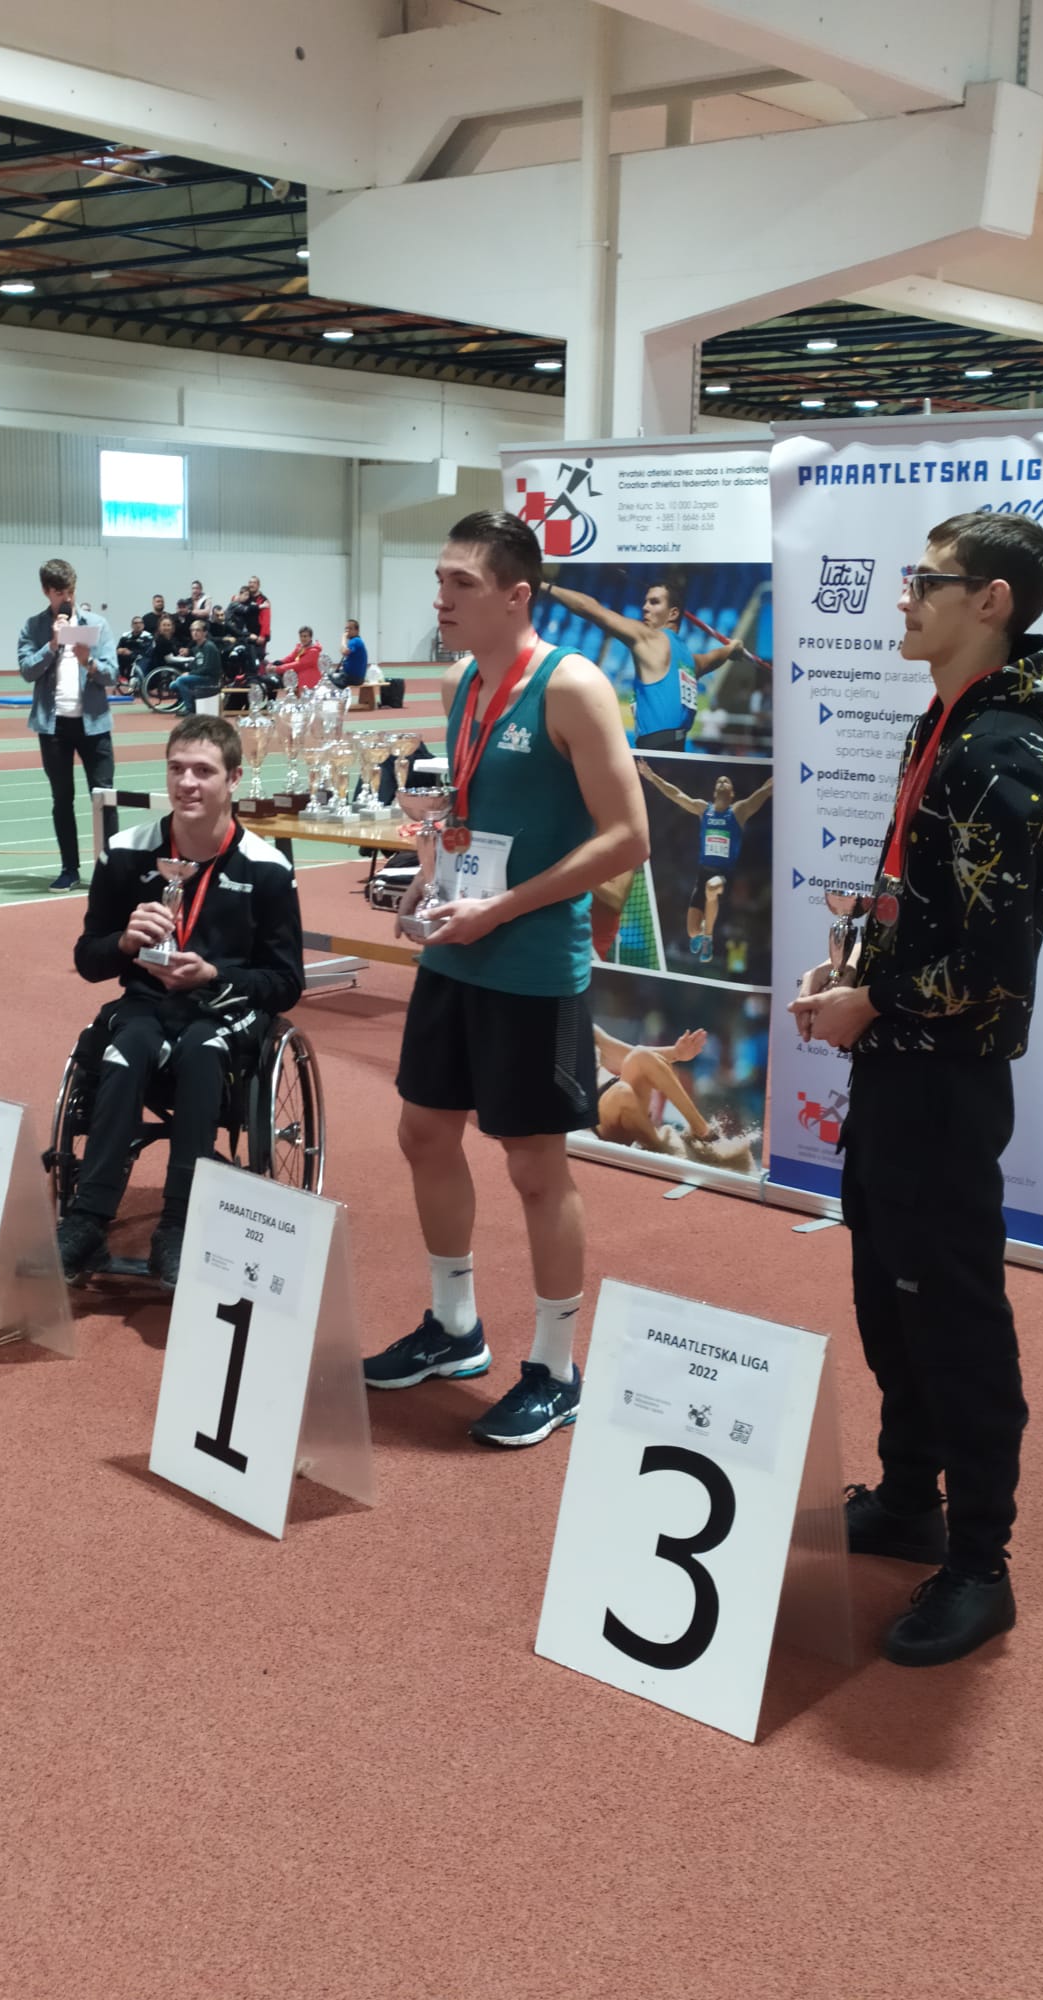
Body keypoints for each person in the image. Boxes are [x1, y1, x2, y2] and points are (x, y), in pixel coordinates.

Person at [791, 511, 1043, 1669]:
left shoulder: (1004, 755)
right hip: (896, 1073)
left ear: (991, 601)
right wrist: (855, 968)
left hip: (944, 1088)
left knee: (953, 1318)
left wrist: (876, 1001)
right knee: (888, 1295)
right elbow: (926, 909)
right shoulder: (945, 726)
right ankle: (911, 1494)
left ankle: (980, 1563)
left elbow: (994, 971)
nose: (902, 596)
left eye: (926, 579)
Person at [363, 510, 649, 1448]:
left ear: (517, 595)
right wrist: (429, 870)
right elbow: (472, 809)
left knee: (534, 1167)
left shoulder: (574, 688)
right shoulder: (461, 683)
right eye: (439, 581)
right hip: (458, 943)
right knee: (422, 1133)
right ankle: (454, 1327)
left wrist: (505, 906)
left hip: (531, 964)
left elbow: (629, 838)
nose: (441, 599)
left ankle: (556, 1369)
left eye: (463, 584)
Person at [59, 713, 305, 1287]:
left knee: (201, 1051)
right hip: (146, 1007)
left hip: (223, 1011)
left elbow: (286, 982)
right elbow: (89, 960)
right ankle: (87, 1219)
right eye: (176, 769)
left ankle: (177, 1223)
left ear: (234, 779)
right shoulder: (125, 853)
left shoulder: (268, 869)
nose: (186, 783)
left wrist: (215, 973)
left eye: (203, 771)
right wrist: (124, 943)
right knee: (125, 1051)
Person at [540, 577, 746, 750]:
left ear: (673, 613)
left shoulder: (651, 639)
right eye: (646, 602)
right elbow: (715, 656)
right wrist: (731, 649)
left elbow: (590, 609)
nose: (644, 608)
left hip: (654, 750)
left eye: (654, 602)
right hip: (678, 749)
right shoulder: (691, 661)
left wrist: (544, 586)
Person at [17, 558, 119, 894]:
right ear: (46, 592)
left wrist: (88, 662)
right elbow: (27, 670)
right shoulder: (34, 627)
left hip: (94, 724)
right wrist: (52, 645)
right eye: (60, 593)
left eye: (71, 591)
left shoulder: (97, 625)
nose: (67, 598)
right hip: (53, 726)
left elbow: (113, 674)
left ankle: (110, 869)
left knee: (104, 797)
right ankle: (69, 869)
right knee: (62, 799)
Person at [639, 762, 772, 964]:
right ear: (714, 792)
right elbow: (676, 795)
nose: (722, 781)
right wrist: (652, 777)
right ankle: (701, 933)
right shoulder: (704, 810)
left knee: (711, 888)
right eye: (719, 781)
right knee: (692, 931)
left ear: (732, 794)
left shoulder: (738, 811)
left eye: (726, 781)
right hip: (703, 873)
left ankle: (708, 939)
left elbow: (765, 790)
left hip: (724, 875)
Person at [593, 1025, 756, 1169]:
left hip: (619, 1088)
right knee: (623, 1092)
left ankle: (704, 1133)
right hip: (599, 1113)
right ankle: (663, 1149)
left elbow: (627, 1054)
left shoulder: (587, 1027)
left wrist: (677, 1052)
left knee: (640, 1055)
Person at [171, 618, 222, 709]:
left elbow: (207, 668)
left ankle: (190, 708)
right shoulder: (196, 648)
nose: (194, 633)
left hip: (210, 679)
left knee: (181, 681)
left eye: (198, 630)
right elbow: (195, 665)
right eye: (192, 630)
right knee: (173, 685)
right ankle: (192, 701)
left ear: (205, 633)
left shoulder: (209, 647)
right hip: (200, 676)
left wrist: (190, 674)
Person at [275, 626, 323, 694]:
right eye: (301, 636)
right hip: (297, 681)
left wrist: (277, 669)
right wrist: (275, 664)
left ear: (310, 637)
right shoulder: (300, 648)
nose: (303, 639)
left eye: (305, 636)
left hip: (309, 683)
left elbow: (299, 664)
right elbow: (289, 658)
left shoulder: (314, 651)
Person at [117, 615, 154, 693]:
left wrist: (131, 652)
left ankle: (136, 682)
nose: (138, 625)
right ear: (132, 625)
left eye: (140, 623)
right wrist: (120, 650)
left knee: (142, 661)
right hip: (127, 658)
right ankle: (121, 677)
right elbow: (119, 648)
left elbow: (147, 651)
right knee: (117, 657)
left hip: (143, 658)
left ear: (143, 625)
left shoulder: (148, 636)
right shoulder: (125, 636)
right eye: (135, 623)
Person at [331, 619, 368, 690]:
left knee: (328, 678)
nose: (347, 631)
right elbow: (343, 651)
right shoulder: (356, 641)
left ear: (357, 631)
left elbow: (344, 651)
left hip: (352, 678)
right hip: (356, 678)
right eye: (346, 628)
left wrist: (343, 638)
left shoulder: (355, 641)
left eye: (350, 628)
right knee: (333, 674)